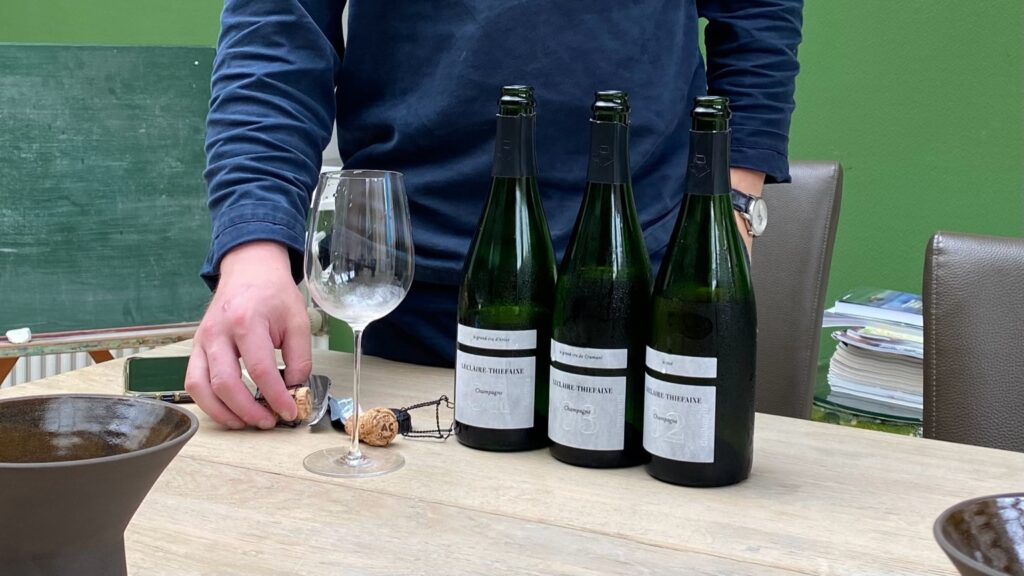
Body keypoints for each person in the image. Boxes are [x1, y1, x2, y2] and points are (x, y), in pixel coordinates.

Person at [185, 0, 804, 429]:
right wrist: (255, 249)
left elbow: (757, 14)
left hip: (638, 278)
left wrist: (735, 202)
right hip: (414, 304)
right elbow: (276, 35)